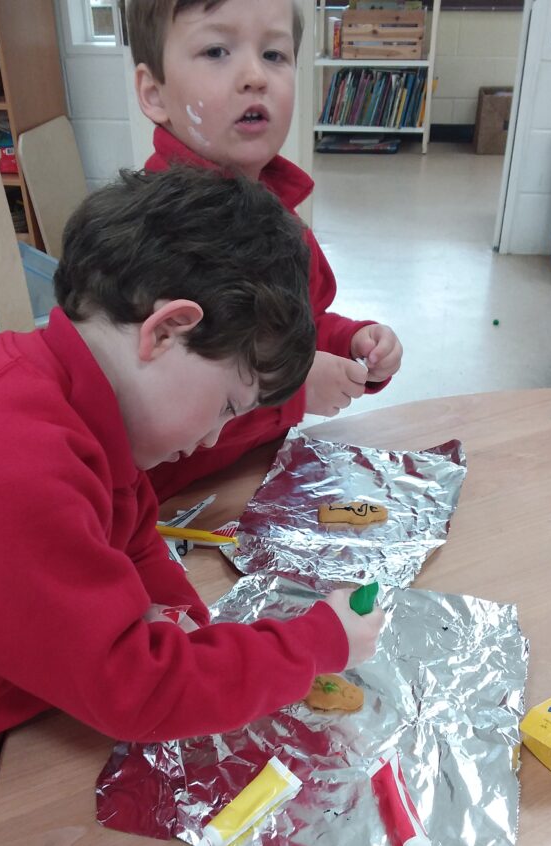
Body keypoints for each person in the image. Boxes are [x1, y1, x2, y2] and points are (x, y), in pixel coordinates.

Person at [0, 167, 384, 846]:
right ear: (166, 329)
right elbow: (137, 690)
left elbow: (132, 528)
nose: (217, 436)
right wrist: (317, 644)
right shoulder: (7, 467)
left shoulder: (60, 390)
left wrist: (189, 622)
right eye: (228, 406)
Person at [127, 0, 405, 503]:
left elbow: (290, 327)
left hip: (250, 474)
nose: (255, 75)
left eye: (275, 55)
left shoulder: (279, 215)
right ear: (154, 92)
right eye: (217, 50)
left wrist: (349, 343)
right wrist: (294, 393)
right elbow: (163, 410)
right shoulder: (157, 236)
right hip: (160, 504)